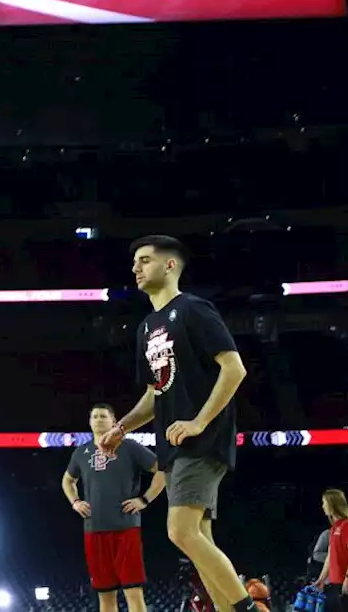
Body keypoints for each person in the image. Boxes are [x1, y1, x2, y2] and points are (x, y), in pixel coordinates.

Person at [99, 235, 256, 612]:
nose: (135, 268)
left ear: (169, 265)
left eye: (144, 260)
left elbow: (235, 369)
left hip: (201, 439)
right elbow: (158, 393)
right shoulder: (146, 327)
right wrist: (122, 427)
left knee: (180, 531)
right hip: (173, 445)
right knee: (199, 539)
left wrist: (200, 422)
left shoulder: (193, 309)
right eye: (135, 261)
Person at [64, 404, 165, 612]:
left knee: (133, 593)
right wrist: (75, 502)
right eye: (95, 416)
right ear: (90, 422)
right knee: (105, 596)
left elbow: (163, 470)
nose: (99, 419)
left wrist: (144, 500)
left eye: (104, 416)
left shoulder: (129, 446)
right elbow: (67, 481)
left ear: (113, 421)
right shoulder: (81, 452)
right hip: (94, 531)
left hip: (125, 529)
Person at [316, 490, 348, 612]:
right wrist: (322, 578)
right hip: (335, 582)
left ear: (333, 504)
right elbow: (330, 555)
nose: (323, 506)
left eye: (324, 502)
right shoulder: (334, 528)